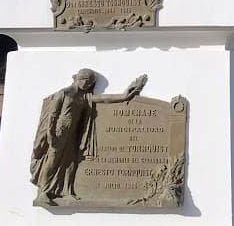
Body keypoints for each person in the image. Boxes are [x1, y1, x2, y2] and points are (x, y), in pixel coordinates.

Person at [30, 70, 147, 205]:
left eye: (91, 83)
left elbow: (103, 99)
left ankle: (66, 192)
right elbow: (52, 116)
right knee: (52, 161)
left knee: (71, 162)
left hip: (72, 133)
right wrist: (51, 136)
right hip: (59, 132)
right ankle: (43, 192)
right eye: (88, 81)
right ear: (80, 79)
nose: (88, 85)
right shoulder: (64, 93)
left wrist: (124, 96)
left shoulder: (84, 97)